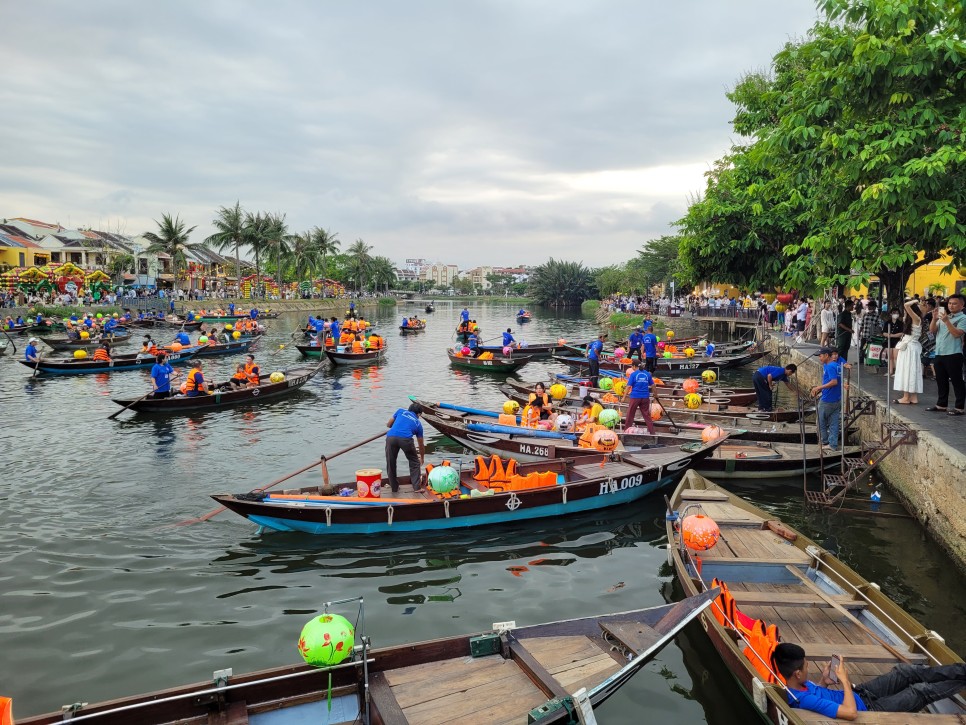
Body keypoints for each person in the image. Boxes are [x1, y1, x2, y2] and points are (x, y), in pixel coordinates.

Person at [773, 642, 966, 719]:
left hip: (861, 694)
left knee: (904, 672)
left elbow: (820, 693)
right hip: (869, 711)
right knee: (919, 691)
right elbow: (850, 713)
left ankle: (962, 670)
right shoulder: (802, 700)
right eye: (806, 666)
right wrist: (845, 681)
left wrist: (824, 681)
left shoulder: (799, 685)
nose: (808, 668)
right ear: (797, 673)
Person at [928, 293, 966, 415]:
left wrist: (947, 321)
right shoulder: (944, 316)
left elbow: (957, 334)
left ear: (962, 305)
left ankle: (959, 407)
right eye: (949, 303)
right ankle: (941, 404)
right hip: (939, 352)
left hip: (953, 353)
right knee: (941, 380)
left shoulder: (963, 318)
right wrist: (934, 319)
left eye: (955, 303)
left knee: (957, 381)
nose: (951, 306)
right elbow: (932, 331)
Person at [385, 403, 425, 493]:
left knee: (390, 462)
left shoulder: (400, 411)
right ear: (418, 414)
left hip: (390, 437)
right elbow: (421, 444)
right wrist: (422, 457)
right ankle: (417, 488)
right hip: (406, 440)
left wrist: (397, 426)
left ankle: (394, 488)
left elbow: (389, 424)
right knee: (414, 462)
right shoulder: (418, 424)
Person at [811, 347, 843, 451]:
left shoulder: (829, 367)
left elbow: (834, 382)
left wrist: (818, 387)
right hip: (837, 399)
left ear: (826, 355)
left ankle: (824, 441)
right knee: (834, 423)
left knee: (820, 421)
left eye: (820, 356)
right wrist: (821, 389)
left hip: (827, 400)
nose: (819, 358)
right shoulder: (837, 365)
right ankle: (833, 445)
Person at [894, 301, 923, 405]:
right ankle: (913, 397)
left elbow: (906, 305)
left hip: (909, 349)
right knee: (912, 371)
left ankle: (906, 397)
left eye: (907, 313)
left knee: (907, 371)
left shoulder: (916, 319)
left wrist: (915, 300)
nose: (906, 314)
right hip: (911, 348)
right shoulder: (915, 320)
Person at [623, 360, 655, 434]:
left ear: (634, 366)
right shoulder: (647, 374)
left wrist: (624, 397)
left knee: (630, 414)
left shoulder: (633, 374)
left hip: (635, 397)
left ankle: (626, 430)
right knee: (646, 415)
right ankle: (652, 432)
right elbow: (653, 385)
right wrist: (655, 395)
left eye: (632, 366)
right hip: (645, 397)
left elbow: (628, 386)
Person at [882, 309, 904, 373]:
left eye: (897, 313)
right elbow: (884, 332)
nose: (895, 314)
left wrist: (891, 335)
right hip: (888, 342)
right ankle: (890, 371)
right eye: (894, 313)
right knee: (890, 357)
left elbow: (901, 333)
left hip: (897, 342)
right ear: (891, 314)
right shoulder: (887, 323)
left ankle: (897, 372)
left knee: (896, 357)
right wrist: (889, 335)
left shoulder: (900, 323)